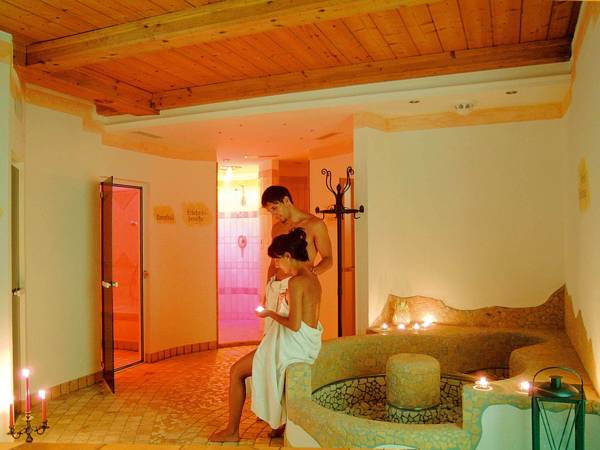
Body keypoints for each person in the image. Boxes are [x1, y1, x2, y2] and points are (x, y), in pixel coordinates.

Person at [210, 228, 323, 442]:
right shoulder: (312, 278)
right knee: (257, 366)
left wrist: (269, 313)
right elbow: (305, 318)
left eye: (277, 260)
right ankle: (279, 422)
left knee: (236, 371)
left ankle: (232, 431)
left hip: (294, 346)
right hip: (307, 344)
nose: (276, 265)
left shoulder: (296, 282)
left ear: (288, 256)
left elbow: (294, 325)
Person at [261, 186, 332, 333]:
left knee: (292, 333)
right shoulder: (276, 229)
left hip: (296, 286)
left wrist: (311, 274)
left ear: (286, 200)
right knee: (270, 333)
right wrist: (268, 290)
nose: (273, 214)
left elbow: (328, 259)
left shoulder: (315, 225)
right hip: (275, 286)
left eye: (275, 208)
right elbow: (273, 263)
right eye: (270, 211)